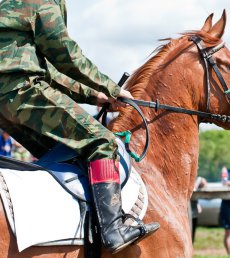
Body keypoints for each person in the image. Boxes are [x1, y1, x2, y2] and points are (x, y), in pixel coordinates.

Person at [0, 1, 158, 253]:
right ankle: (113, 229)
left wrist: (95, 95)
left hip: (6, 103)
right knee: (101, 142)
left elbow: (50, 72)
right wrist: (110, 87)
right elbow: (66, 55)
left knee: (69, 152)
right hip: (22, 91)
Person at [191, 176, 207, 242]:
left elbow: (204, 184)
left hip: (193, 209)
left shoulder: (197, 179)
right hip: (186, 210)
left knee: (193, 230)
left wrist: (201, 181)